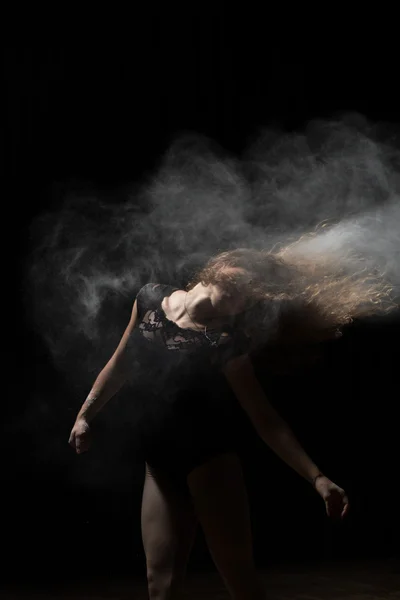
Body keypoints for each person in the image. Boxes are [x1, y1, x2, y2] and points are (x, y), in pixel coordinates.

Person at [69, 246, 390, 600]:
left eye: (254, 291)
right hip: (159, 466)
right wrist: (85, 415)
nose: (248, 289)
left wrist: (317, 477)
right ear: (219, 265)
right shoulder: (148, 298)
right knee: (159, 584)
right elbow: (120, 365)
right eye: (245, 276)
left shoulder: (227, 342)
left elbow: (264, 417)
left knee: (240, 582)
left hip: (209, 462)